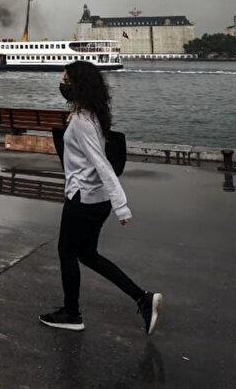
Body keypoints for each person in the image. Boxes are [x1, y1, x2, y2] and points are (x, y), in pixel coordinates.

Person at [39, 60, 162, 335]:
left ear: (77, 85)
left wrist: (122, 206)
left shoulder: (83, 121)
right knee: (88, 254)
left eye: (66, 80)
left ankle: (72, 314)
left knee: (67, 252)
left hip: (83, 198)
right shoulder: (91, 115)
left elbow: (101, 163)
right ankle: (142, 298)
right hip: (96, 199)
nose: (62, 85)